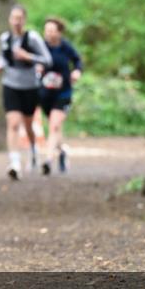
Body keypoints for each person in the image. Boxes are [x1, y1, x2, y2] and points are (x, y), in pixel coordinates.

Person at [0, 4, 52, 179]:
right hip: (10, 85)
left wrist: (29, 57)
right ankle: (15, 163)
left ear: (24, 20)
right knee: (13, 123)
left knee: (28, 124)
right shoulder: (5, 38)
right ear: (10, 20)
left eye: (20, 18)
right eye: (14, 18)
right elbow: (2, 57)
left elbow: (47, 60)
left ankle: (33, 150)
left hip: (30, 86)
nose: (17, 22)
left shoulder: (32, 38)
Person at [38, 17, 83, 175]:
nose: (48, 33)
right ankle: (62, 151)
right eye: (46, 30)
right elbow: (33, 61)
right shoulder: (41, 47)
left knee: (54, 126)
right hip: (45, 94)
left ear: (59, 32)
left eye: (51, 30)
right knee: (54, 129)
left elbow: (78, 61)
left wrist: (77, 71)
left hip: (63, 92)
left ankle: (48, 160)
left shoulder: (66, 47)